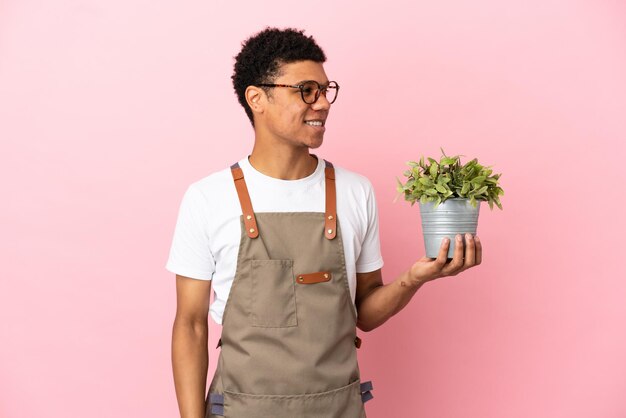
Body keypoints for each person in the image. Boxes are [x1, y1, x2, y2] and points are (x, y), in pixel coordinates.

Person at [167, 27, 482, 418]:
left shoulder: (354, 191)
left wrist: (414, 278)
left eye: (325, 89)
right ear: (257, 98)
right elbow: (191, 326)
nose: (322, 103)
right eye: (305, 90)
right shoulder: (208, 198)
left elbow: (364, 312)